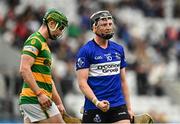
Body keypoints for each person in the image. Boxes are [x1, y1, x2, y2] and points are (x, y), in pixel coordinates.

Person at [76, 10, 134, 123]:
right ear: (94, 28)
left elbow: (123, 81)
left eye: (110, 24)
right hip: (94, 107)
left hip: (118, 105)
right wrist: (97, 102)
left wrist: (129, 108)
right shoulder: (86, 51)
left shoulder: (119, 49)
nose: (108, 27)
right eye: (104, 25)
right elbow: (82, 83)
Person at [19, 8, 68, 123]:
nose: (61, 32)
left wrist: (59, 102)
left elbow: (48, 79)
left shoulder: (44, 44)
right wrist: (39, 94)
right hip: (36, 99)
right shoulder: (35, 40)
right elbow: (24, 69)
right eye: (60, 28)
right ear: (51, 23)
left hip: (34, 100)